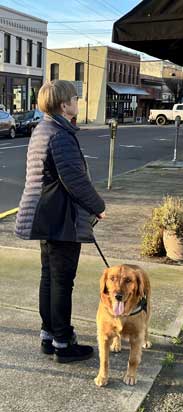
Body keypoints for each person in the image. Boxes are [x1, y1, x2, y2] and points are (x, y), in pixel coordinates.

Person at [15, 80, 105, 363]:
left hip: (46, 215)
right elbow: (74, 179)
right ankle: (64, 343)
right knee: (62, 281)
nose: (78, 103)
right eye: (75, 99)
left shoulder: (43, 129)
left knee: (50, 278)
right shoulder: (59, 134)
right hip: (60, 217)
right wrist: (98, 206)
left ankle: (49, 335)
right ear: (65, 105)